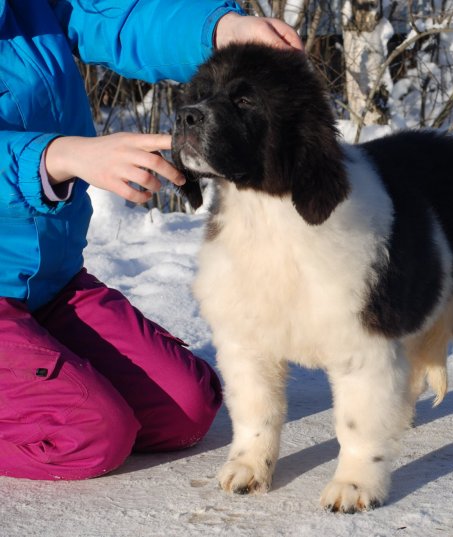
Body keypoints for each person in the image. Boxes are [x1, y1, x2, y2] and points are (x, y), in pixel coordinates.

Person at [0, 0, 302, 481]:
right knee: (91, 433)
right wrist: (58, 157)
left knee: (186, 407)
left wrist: (223, 29)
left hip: (47, 283)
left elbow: (115, 14)